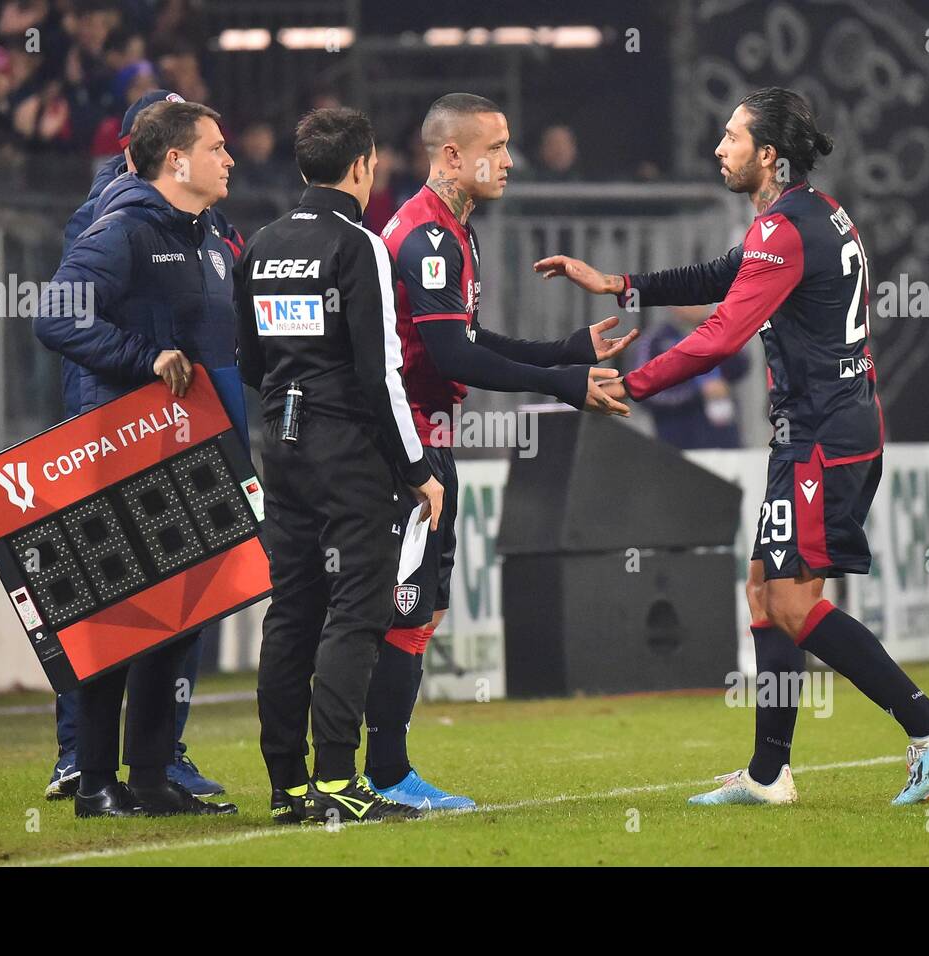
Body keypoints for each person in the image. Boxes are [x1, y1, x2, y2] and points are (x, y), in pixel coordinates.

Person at [535, 87, 929, 807]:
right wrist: (619, 284)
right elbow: (719, 274)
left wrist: (629, 385)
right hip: (819, 427)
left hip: (824, 435)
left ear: (767, 155)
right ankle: (769, 774)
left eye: (732, 137)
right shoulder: (808, 214)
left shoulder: (785, 228)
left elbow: (719, 333)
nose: (719, 149)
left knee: (795, 603)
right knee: (767, 597)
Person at [370, 93, 635, 811]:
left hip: (430, 441)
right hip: (408, 449)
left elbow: (469, 341)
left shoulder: (455, 228)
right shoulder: (426, 237)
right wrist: (565, 386)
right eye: (497, 146)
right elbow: (455, 352)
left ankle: (382, 770)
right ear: (453, 156)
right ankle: (380, 776)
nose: (511, 162)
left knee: (418, 613)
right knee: (401, 608)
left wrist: (565, 351)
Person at [236, 107, 444, 824]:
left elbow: (250, 362)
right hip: (345, 450)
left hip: (281, 448)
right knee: (358, 609)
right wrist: (417, 467)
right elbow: (378, 373)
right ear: (364, 167)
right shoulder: (360, 248)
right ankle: (336, 783)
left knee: (291, 611)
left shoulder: (258, 246)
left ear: (303, 168)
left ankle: (287, 787)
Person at [34, 99, 238, 818]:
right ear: (176, 161)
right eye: (216, 147)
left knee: (176, 618)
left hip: (191, 452)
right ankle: (93, 782)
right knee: (120, 618)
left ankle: (149, 777)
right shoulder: (122, 229)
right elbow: (56, 313)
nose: (230, 159)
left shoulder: (209, 238)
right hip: (124, 446)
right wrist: (145, 357)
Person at [635, 305, 749, 449]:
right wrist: (696, 391)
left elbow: (741, 366)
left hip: (724, 438)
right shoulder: (656, 341)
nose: (700, 306)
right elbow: (644, 393)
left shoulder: (716, 332)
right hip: (678, 443)